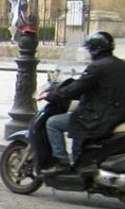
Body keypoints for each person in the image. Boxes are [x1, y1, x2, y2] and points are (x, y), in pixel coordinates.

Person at [42, 31, 125, 174]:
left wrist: (50, 95)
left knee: (53, 123)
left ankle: (62, 162)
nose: (88, 53)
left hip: (98, 117)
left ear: (95, 49)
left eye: (89, 49)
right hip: (117, 115)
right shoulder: (121, 65)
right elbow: (100, 88)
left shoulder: (97, 67)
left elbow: (76, 88)